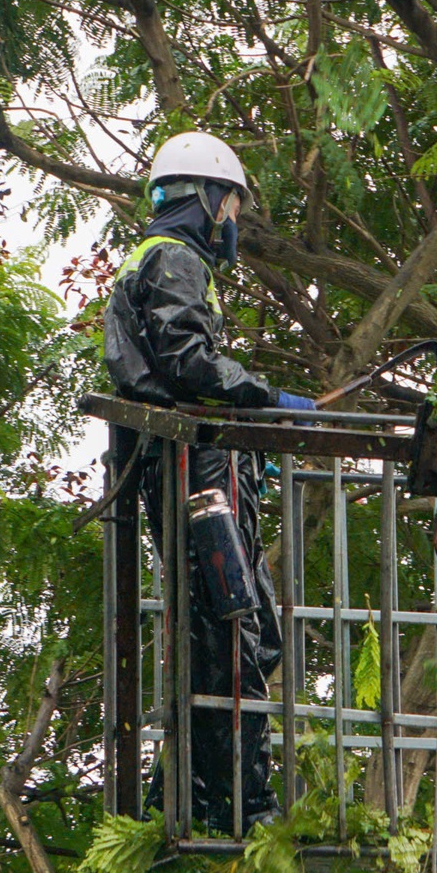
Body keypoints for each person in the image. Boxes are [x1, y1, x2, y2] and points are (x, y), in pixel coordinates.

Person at [100, 131, 315, 833]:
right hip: (196, 473)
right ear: (208, 197)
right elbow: (189, 362)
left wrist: (250, 446)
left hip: (202, 467)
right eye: (232, 205)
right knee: (236, 631)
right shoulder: (175, 258)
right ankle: (238, 803)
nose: (233, 221)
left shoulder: (159, 257)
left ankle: (190, 790)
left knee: (224, 631)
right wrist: (267, 400)